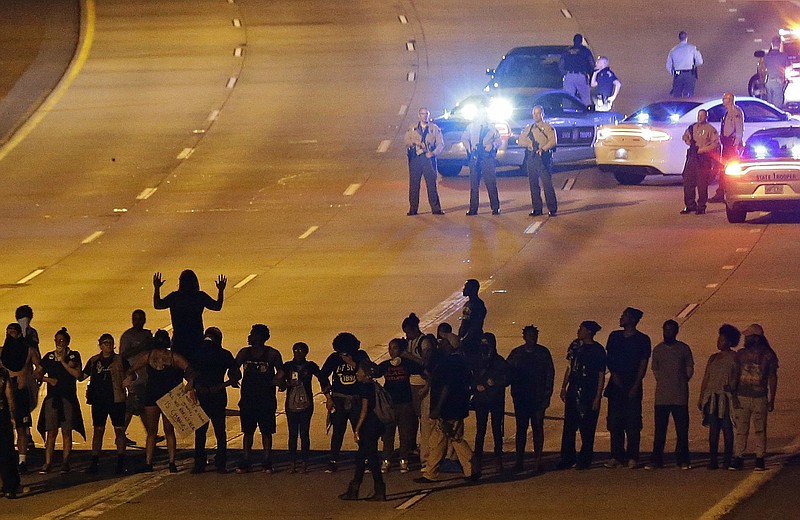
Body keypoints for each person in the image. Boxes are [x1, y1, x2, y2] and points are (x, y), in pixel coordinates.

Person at [414, 331, 480, 483]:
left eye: (443, 342)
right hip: (457, 406)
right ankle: (470, 469)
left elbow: (446, 387)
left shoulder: (448, 363)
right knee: (449, 439)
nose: (440, 344)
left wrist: (438, 408)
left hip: (448, 408)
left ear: (450, 346)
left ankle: (434, 473)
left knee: (445, 439)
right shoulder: (461, 362)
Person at [124, 329, 194, 473]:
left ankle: (150, 463)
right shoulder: (172, 357)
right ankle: (171, 462)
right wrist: (190, 384)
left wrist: (131, 379)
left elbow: (131, 369)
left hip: (154, 396)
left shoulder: (149, 356)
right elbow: (190, 369)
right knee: (167, 431)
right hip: (168, 396)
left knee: (152, 432)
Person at [604, 307, 651, 469]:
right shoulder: (615, 337)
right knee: (614, 421)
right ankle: (616, 455)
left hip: (633, 383)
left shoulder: (643, 339)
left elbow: (643, 363)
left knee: (633, 423)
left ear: (632, 320)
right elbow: (609, 358)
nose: (621, 317)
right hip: (616, 384)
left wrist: (636, 384)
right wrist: (615, 376)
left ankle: (633, 456)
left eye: (624, 315)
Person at [34, 327, 85, 474]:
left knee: (67, 431)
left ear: (67, 342)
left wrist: (63, 362)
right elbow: (37, 374)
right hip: (53, 398)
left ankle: (65, 462)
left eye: (61, 340)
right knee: (51, 431)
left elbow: (77, 374)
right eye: (56, 340)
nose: (59, 343)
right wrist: (48, 379)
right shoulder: (49, 356)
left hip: (68, 398)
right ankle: (48, 462)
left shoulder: (73, 356)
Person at [234, 324, 284, 473]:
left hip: (266, 399)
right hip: (248, 399)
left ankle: (267, 460)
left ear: (261, 337)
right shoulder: (244, 352)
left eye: (252, 334)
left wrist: (275, 381)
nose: (249, 337)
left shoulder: (272, 354)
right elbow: (234, 367)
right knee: (247, 431)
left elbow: (281, 371)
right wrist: (234, 376)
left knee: (266, 431)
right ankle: (246, 459)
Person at [645, 320, 694, 470]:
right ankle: (656, 459)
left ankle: (683, 459)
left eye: (671, 330)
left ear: (676, 331)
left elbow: (689, 368)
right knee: (660, 430)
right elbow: (656, 370)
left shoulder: (683, 349)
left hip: (679, 396)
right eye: (665, 329)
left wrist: (681, 381)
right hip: (662, 397)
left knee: (682, 430)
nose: (668, 332)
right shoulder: (658, 350)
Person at [557, 321, 606, 470]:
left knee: (587, 427)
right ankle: (567, 457)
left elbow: (601, 374)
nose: (579, 331)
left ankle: (585, 458)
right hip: (574, 389)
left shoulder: (597, 350)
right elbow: (569, 367)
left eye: (582, 329)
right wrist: (564, 386)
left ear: (589, 332)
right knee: (569, 426)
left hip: (589, 391)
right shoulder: (575, 346)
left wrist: (598, 396)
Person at [320, 332, 370, 473]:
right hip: (339, 399)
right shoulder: (334, 358)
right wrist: (328, 397)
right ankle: (333, 460)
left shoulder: (360, 355)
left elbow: (368, 371)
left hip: (356, 399)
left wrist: (352, 363)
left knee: (359, 430)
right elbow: (323, 375)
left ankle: (365, 459)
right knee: (338, 431)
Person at [507, 325, 555, 473]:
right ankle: (519, 460)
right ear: (524, 337)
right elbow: (507, 373)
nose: (532, 338)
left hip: (538, 397)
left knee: (537, 428)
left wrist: (547, 396)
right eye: (529, 335)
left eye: (534, 335)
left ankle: (538, 460)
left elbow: (550, 376)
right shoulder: (517, 354)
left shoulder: (543, 353)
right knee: (521, 429)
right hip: (521, 398)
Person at [192, 327, 240, 474]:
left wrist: (197, 386)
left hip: (203, 394)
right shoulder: (224, 354)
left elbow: (190, 372)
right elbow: (236, 375)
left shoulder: (197, 352)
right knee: (219, 430)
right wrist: (221, 385)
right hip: (217, 394)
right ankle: (220, 463)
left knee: (201, 431)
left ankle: (199, 463)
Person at [152, 270, 226, 363]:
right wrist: (221, 290)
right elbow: (217, 306)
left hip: (179, 339)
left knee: (177, 370)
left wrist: (157, 288)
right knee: (196, 370)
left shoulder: (175, 297)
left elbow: (158, 305)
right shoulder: (199, 296)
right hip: (196, 339)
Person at [729, 333, 778, 471]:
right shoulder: (742, 354)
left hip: (758, 397)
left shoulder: (767, 355)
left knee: (758, 429)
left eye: (749, 336)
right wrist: (733, 394)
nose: (746, 339)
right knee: (742, 429)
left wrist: (771, 399)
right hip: (744, 396)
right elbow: (735, 374)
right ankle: (740, 456)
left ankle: (758, 458)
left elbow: (772, 377)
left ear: (756, 338)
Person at [82, 334, 130, 475]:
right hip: (99, 401)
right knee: (98, 431)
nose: (108, 345)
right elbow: (81, 376)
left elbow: (132, 374)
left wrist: (130, 379)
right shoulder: (94, 361)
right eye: (105, 343)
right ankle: (94, 462)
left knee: (119, 431)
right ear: (100, 345)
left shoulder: (120, 360)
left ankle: (121, 462)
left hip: (116, 399)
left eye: (110, 343)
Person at [339, 362, 386, 501]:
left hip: (368, 426)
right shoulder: (374, 385)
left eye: (359, 371)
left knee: (369, 458)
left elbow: (364, 410)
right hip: (376, 425)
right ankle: (356, 488)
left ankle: (377, 490)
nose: (357, 373)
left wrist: (357, 429)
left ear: (366, 374)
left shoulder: (365, 387)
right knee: (363, 458)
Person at [378, 338, 424, 474]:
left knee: (405, 435)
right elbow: (374, 372)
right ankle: (386, 460)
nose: (391, 351)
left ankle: (404, 459)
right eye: (390, 348)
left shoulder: (407, 364)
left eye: (395, 348)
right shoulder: (385, 365)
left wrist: (425, 388)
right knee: (388, 434)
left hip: (405, 403)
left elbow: (423, 369)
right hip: (390, 404)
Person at [698, 324, 741, 470]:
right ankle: (713, 459)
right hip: (712, 396)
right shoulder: (713, 358)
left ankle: (727, 458)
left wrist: (733, 386)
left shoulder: (735, 357)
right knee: (713, 429)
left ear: (729, 342)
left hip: (725, 397)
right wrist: (701, 396)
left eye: (722, 339)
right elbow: (706, 378)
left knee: (727, 427)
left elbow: (738, 375)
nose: (718, 341)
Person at [1, 323, 40, 474]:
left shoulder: (29, 350)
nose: (10, 335)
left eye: (13, 333)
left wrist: (32, 376)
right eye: (8, 333)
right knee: (4, 429)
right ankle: (7, 459)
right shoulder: (3, 352)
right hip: (4, 394)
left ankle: (22, 461)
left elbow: (40, 366)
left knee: (21, 428)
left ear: (19, 334)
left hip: (21, 393)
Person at [401, 313, 436, 469]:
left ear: (415, 329)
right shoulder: (410, 342)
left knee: (425, 420)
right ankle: (412, 447)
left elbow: (426, 363)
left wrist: (408, 356)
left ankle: (426, 453)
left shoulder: (424, 342)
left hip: (422, 383)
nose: (407, 335)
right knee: (412, 418)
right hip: (410, 383)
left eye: (408, 332)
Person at [283, 342, 324, 473]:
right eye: (296, 351)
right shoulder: (288, 366)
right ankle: (292, 462)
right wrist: (287, 383)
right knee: (292, 434)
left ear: (306, 352)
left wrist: (327, 392)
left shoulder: (310, 366)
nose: (298, 353)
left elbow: (322, 377)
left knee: (304, 434)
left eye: (301, 351)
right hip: (291, 404)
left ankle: (304, 462)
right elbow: (277, 380)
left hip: (306, 403)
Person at [471, 332, 509, 473]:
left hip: (496, 399)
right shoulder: (477, 360)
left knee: (496, 429)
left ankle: (498, 457)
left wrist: (495, 382)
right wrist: (476, 386)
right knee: (480, 429)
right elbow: (471, 377)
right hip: (482, 399)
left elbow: (507, 377)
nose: (484, 346)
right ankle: (478, 458)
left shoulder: (498, 361)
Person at [119, 309, 153, 445]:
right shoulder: (127, 336)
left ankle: (150, 433)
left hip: (146, 376)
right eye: (136, 319)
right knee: (134, 406)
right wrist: (142, 347)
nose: (138, 321)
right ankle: (120, 435)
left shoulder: (147, 334)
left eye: (141, 319)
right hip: (134, 377)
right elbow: (123, 355)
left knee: (140, 406)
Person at [404, 107, 445, 216]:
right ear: (419, 115)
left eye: (426, 114)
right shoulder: (413, 128)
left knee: (431, 184)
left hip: (428, 159)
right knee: (414, 185)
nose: (424, 116)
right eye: (422, 114)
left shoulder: (434, 128)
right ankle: (413, 208)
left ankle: (436, 208)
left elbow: (441, 144)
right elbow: (406, 141)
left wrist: (433, 153)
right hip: (415, 158)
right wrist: (414, 142)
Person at [518, 105, 558, 217]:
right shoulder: (529, 128)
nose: (536, 116)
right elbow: (520, 140)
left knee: (547, 183)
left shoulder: (547, 127)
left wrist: (543, 149)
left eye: (538, 113)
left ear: (542, 114)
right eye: (534, 114)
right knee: (533, 183)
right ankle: (537, 208)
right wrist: (529, 144)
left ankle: (552, 208)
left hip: (543, 157)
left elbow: (553, 141)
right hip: (532, 157)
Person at [461, 106, 501, 215]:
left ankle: (495, 207)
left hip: (487, 157)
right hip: (475, 156)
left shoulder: (492, 128)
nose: (482, 116)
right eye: (481, 114)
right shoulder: (471, 127)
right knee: (474, 184)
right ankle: (473, 209)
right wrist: (468, 148)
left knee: (490, 183)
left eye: (484, 114)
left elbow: (499, 140)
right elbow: (464, 138)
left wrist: (492, 145)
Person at [680, 109, 720, 215]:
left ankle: (701, 206)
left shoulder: (710, 129)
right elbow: (685, 136)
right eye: (699, 115)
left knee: (702, 183)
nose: (700, 117)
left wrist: (703, 150)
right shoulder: (692, 127)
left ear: (706, 117)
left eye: (702, 116)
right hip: (692, 156)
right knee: (688, 181)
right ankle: (690, 205)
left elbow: (716, 143)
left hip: (703, 158)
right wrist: (688, 141)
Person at [709, 92, 745, 203]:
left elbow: (739, 129)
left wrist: (736, 144)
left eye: (725, 98)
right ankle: (722, 192)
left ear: (730, 99)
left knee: (730, 169)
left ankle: (729, 192)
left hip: (731, 144)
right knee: (723, 168)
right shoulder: (727, 112)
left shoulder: (735, 112)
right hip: (726, 144)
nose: (723, 100)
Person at [0, 360, 21, 499]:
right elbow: (10, 397)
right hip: (2, 414)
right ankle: (9, 487)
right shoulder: (3, 373)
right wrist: (13, 416)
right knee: (6, 451)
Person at [559, 34, 595, 107]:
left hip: (569, 76)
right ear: (581, 41)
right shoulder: (585, 50)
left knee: (567, 97)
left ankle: (566, 114)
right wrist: (592, 75)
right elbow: (592, 64)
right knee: (586, 98)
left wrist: (564, 74)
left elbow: (561, 64)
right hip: (581, 76)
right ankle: (587, 114)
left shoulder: (567, 50)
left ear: (573, 40)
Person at [667, 31, 703, 98]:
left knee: (677, 97)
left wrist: (674, 73)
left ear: (679, 38)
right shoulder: (692, 48)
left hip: (677, 75)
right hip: (689, 74)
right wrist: (694, 64)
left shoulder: (673, 50)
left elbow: (668, 66)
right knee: (688, 96)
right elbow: (700, 61)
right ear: (686, 38)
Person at [458, 279, 487, 361]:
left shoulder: (477, 304)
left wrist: (465, 338)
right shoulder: (468, 304)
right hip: (466, 338)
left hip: (473, 340)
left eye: (466, 287)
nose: (464, 289)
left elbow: (476, 325)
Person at [763, 36, 790, 109]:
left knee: (769, 104)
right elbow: (789, 67)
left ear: (772, 44)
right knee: (777, 106)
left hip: (768, 82)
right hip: (778, 82)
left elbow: (763, 68)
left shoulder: (766, 56)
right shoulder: (783, 56)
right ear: (780, 45)